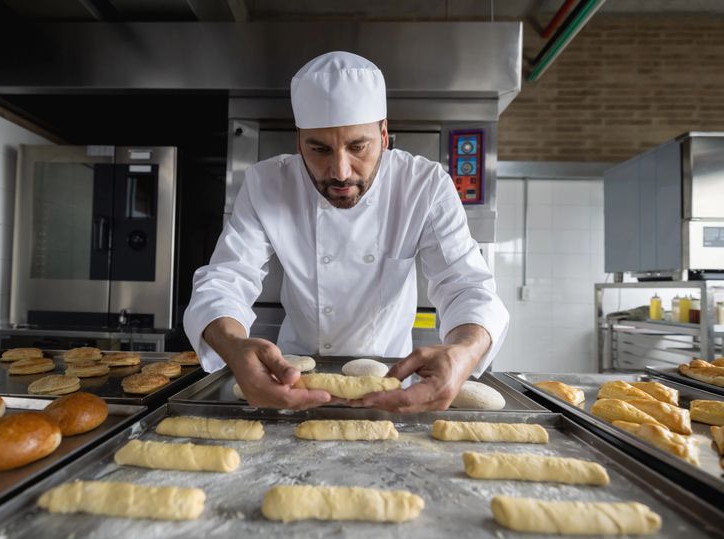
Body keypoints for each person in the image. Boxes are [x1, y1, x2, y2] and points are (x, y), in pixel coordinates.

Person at [184, 51, 509, 412]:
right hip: (292, 380)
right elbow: (225, 279)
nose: (339, 171)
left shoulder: (424, 185)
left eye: (358, 146)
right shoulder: (268, 184)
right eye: (319, 148)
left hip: (391, 382)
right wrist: (232, 346)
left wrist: (464, 352)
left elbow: (466, 284)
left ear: (384, 134)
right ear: (298, 142)